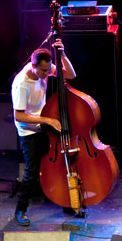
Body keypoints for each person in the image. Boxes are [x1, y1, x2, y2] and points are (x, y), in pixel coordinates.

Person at [11, 40, 76, 226]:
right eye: (43, 71)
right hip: (29, 130)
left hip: (44, 122)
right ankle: (20, 210)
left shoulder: (44, 68)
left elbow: (71, 75)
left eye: (49, 70)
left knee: (60, 162)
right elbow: (19, 116)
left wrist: (62, 55)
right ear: (33, 66)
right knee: (31, 172)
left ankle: (65, 202)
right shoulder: (22, 84)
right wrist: (46, 120)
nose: (47, 75)